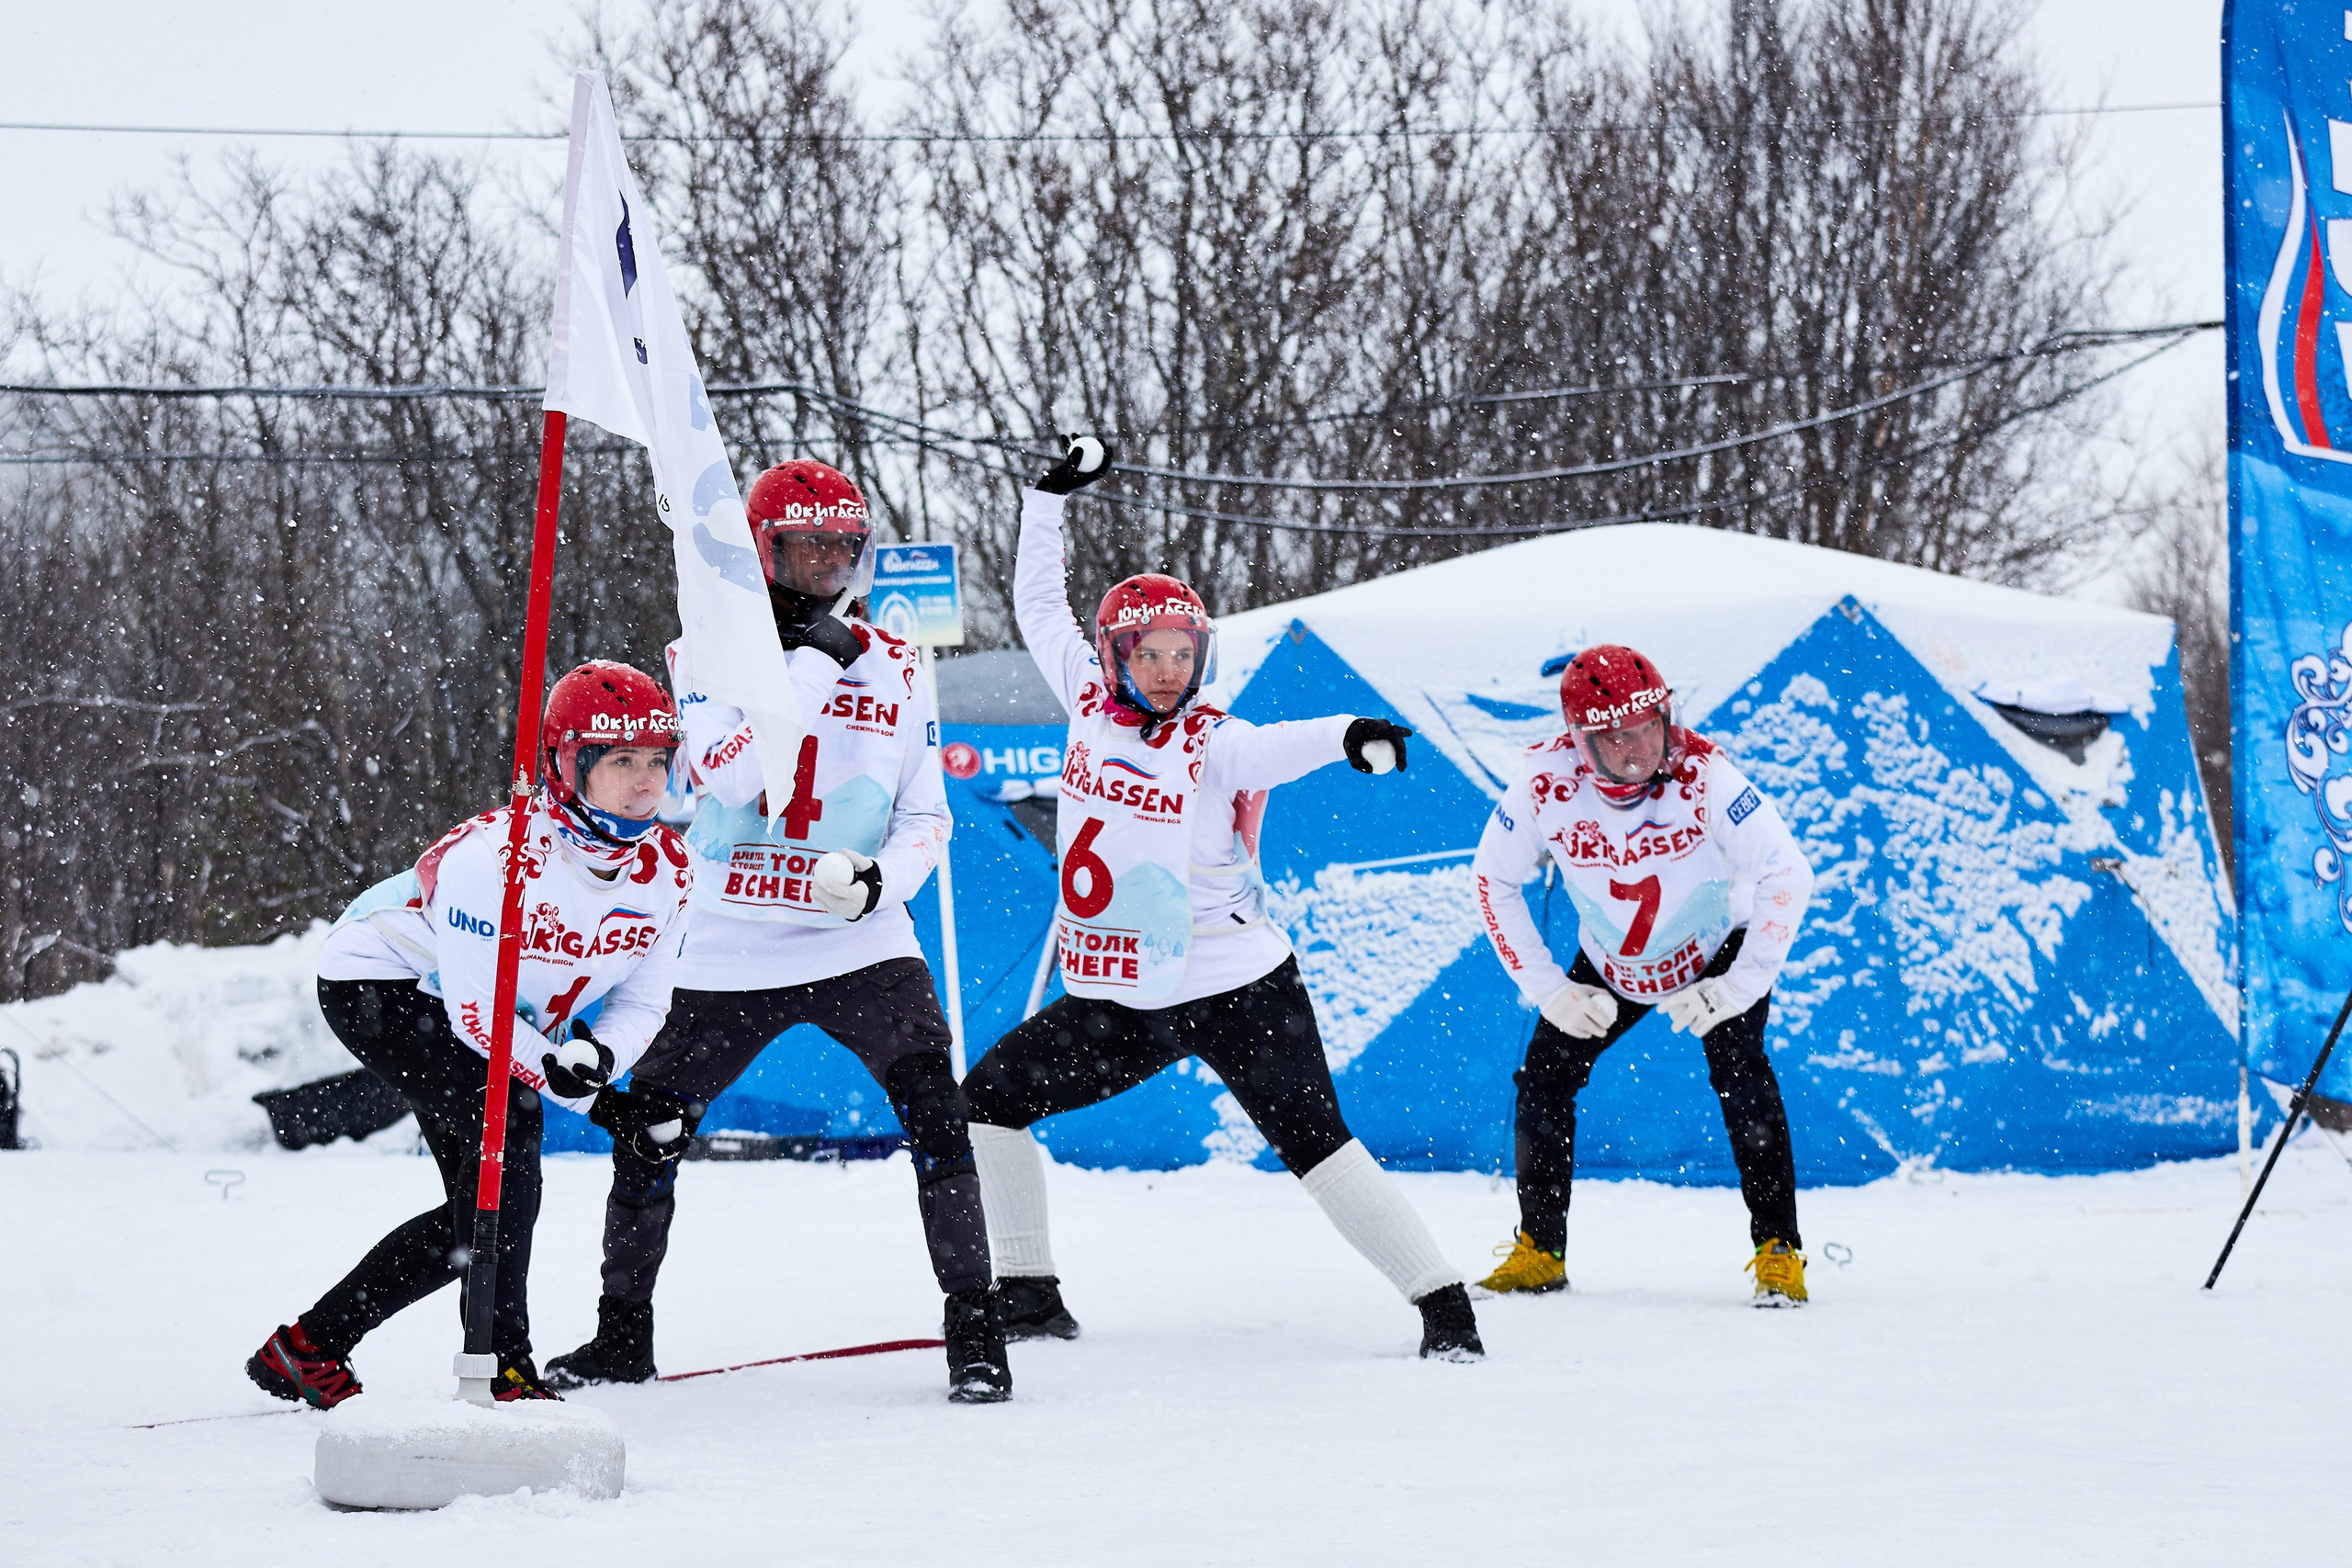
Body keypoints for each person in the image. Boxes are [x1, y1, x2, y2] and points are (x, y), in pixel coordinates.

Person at [959, 437, 1484, 1360]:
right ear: (1115, 656)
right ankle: (1030, 1293)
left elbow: (1282, 744)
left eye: (1183, 653)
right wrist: (1047, 500)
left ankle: (1444, 1307)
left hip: (1240, 989)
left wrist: (1353, 734)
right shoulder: (1085, 699)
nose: (1167, 669)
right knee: (987, 1100)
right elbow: (1040, 604)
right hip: (1123, 999)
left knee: (1316, 1144)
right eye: (1148, 653)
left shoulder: (1213, 737)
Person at [543, 460, 1007, 1403]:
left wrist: (886, 881)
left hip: (859, 942)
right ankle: (620, 1337)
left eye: (845, 545)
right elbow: (723, 771)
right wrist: (812, 661)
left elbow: (927, 817)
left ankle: (977, 1333)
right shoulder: (706, 653)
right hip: (725, 941)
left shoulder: (899, 661)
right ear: (764, 552)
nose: (830, 564)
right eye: (808, 545)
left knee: (937, 1119)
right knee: (654, 1133)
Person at [248, 661, 695, 1406]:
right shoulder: (498, 856)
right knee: (510, 1143)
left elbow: (647, 1000)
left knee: (479, 1208)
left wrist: (602, 1068)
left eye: (657, 760)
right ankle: (500, 1366)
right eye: (621, 760)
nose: (646, 781)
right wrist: (596, 1100)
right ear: (565, 764)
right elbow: (476, 1016)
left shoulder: (670, 872)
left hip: (493, 1015)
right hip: (384, 983)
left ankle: (311, 1346)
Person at [1469, 644, 1816, 1304]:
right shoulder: (1544, 783)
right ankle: (1540, 1250)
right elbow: (1493, 878)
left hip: (1713, 949)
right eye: (1616, 736)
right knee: (1544, 1077)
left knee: (1741, 1073)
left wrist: (1738, 986)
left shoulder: (1708, 773)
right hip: (1612, 960)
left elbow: (1788, 872)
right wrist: (1550, 990)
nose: (1638, 748)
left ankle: (1779, 1252)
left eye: (1650, 725)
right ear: (1579, 742)